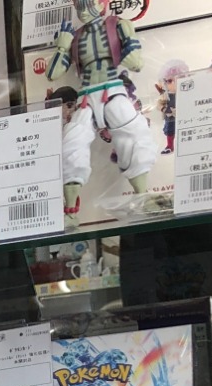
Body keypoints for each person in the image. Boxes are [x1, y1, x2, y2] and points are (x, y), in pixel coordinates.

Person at [47, 0, 157, 225]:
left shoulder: (119, 25)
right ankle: (70, 211)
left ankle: (143, 197)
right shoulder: (75, 37)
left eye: (88, 4)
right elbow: (52, 74)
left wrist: (131, 52)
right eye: (79, 5)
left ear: (102, 3)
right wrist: (62, 46)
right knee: (72, 144)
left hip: (113, 90)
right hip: (86, 96)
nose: (83, 11)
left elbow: (136, 63)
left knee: (134, 135)